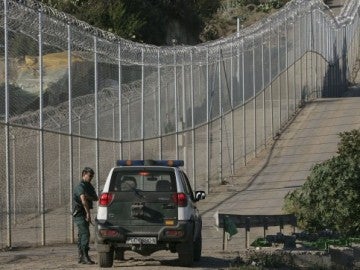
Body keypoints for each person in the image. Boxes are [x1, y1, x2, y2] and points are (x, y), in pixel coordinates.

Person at [73, 167, 98, 264]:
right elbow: (83, 200)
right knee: (85, 234)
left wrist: (88, 196)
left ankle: (81, 256)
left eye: (92, 176)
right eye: (90, 176)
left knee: (82, 234)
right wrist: (88, 213)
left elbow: (96, 198)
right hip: (80, 213)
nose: (91, 177)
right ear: (84, 174)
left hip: (84, 212)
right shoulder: (80, 186)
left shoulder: (89, 186)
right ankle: (84, 256)